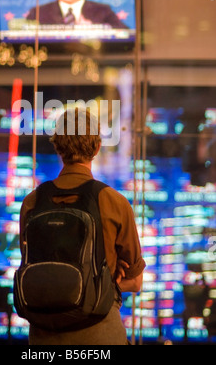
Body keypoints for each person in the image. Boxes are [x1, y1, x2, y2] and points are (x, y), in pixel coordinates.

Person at [19, 107, 146, 345]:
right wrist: (107, 276)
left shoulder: (32, 202)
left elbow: (30, 265)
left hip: (43, 337)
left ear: (57, 147)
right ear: (97, 148)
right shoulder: (114, 202)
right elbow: (136, 282)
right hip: (99, 335)